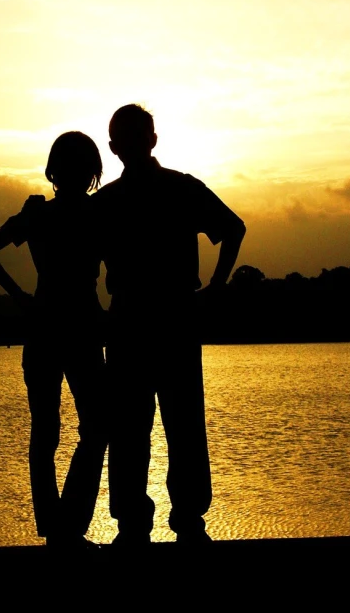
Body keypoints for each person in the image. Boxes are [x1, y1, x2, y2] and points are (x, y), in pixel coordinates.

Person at [91, 103, 246, 546]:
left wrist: (215, 287)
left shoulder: (109, 203)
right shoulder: (179, 189)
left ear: (115, 147)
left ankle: (141, 524)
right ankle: (182, 522)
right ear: (149, 140)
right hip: (166, 319)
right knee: (174, 424)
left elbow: (234, 228)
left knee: (137, 426)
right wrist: (215, 287)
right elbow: (233, 229)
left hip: (140, 320)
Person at [0, 131, 107, 549]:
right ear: (88, 172)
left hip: (56, 324)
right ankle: (64, 527)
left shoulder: (43, 215)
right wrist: (20, 298)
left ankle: (60, 527)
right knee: (87, 428)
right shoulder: (90, 214)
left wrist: (20, 299)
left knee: (54, 431)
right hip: (73, 326)